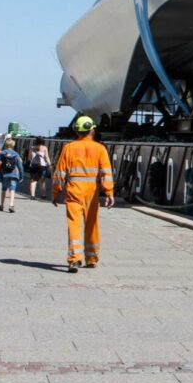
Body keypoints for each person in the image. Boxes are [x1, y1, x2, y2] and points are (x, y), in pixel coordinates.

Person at [52, 116, 114, 273]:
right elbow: (106, 173)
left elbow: (59, 172)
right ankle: (92, 258)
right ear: (92, 130)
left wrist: (55, 192)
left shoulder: (69, 148)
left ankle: (74, 260)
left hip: (74, 191)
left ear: (77, 131)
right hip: (92, 193)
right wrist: (109, 192)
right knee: (92, 225)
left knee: (74, 224)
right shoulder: (100, 149)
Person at [0, 138, 24, 213]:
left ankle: (2, 205)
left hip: (5, 174)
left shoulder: (3, 153)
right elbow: (20, 166)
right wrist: (21, 176)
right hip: (14, 174)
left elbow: (0, 164)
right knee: (12, 189)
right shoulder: (16, 154)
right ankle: (11, 205)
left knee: (4, 189)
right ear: (13, 145)